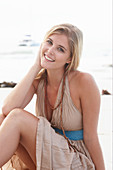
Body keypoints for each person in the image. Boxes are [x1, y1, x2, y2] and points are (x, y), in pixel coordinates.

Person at [0, 23, 105, 170]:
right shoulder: (38, 82)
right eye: (49, 42)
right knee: (3, 119)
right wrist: (36, 66)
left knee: (17, 117)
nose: (50, 51)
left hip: (74, 160)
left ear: (70, 58)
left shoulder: (84, 81)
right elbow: (7, 108)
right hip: (47, 156)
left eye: (60, 49)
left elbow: (91, 137)